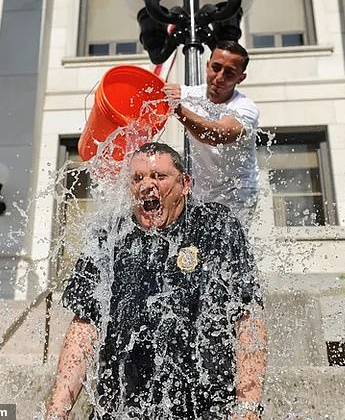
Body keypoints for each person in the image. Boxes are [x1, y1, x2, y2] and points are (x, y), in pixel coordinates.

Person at [46, 142, 267, 420]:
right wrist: (57, 410)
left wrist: (247, 406)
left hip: (207, 408)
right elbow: (84, 329)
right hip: (124, 408)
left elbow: (248, 316)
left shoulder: (217, 227)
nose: (146, 185)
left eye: (159, 177)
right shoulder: (108, 238)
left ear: (185, 183)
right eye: (137, 178)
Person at [163, 41, 260, 230]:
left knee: (228, 247)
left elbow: (217, 135)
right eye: (216, 68)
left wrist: (179, 111)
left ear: (241, 78)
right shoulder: (187, 94)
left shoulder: (245, 108)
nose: (219, 77)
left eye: (229, 73)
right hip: (202, 191)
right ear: (207, 65)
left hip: (238, 192)